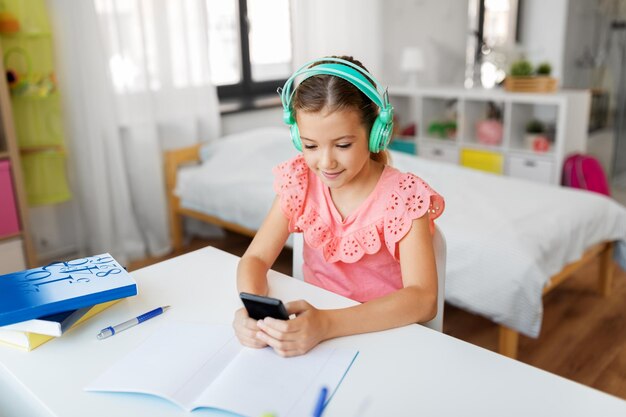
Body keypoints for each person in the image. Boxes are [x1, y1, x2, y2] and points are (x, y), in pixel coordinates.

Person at [233, 56, 444, 357]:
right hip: (316, 335)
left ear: (375, 134)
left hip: (383, 336)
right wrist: (252, 309)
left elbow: (423, 299)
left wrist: (328, 324)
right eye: (310, 145)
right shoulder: (299, 181)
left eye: (343, 145)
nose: (326, 162)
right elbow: (254, 257)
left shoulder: (403, 195)